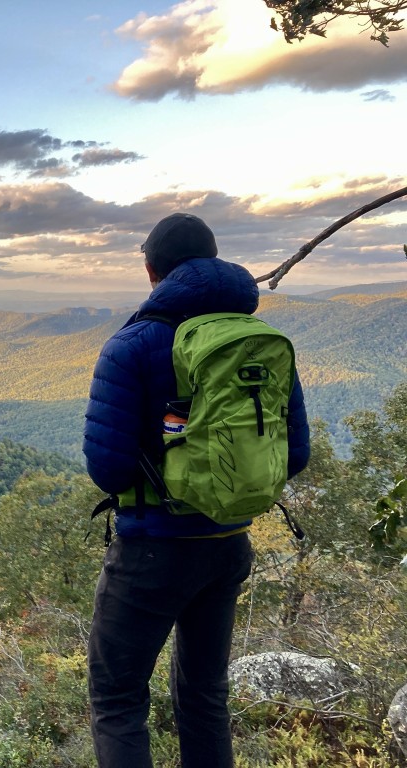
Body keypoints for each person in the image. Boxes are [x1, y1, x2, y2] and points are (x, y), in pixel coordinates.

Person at [82, 212, 310, 767]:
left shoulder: (132, 344)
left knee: (117, 701)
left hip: (152, 551)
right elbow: (295, 454)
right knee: (205, 698)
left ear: (151, 269)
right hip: (229, 545)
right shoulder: (258, 342)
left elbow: (108, 470)